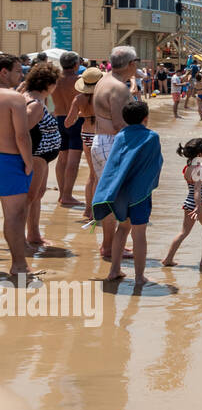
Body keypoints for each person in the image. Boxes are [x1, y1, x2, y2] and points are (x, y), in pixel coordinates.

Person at [93, 98, 163, 283]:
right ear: (146, 118)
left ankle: (114, 270)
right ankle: (139, 277)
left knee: (122, 229)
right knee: (139, 233)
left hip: (121, 193)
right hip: (140, 194)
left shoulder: (120, 136)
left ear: (124, 118)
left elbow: (114, 165)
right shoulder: (152, 137)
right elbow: (155, 165)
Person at [92, 46, 139, 262]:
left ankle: (109, 245)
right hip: (113, 143)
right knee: (120, 199)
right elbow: (120, 124)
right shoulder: (118, 88)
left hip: (101, 141)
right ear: (130, 64)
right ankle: (110, 247)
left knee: (109, 198)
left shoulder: (104, 80)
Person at [0, 54, 34, 277]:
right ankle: (19, 265)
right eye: (17, 71)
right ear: (3, 72)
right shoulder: (14, 98)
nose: (21, 76)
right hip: (9, 161)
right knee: (13, 215)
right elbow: (22, 136)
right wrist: (29, 162)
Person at [21, 62, 62, 249]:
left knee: (37, 194)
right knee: (29, 197)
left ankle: (34, 234)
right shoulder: (34, 104)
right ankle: (20, 239)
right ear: (48, 83)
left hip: (42, 157)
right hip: (36, 156)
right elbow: (21, 132)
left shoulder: (36, 99)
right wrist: (28, 159)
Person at [163, 137, 202, 269]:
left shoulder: (188, 168)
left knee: (183, 232)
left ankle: (168, 259)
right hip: (199, 204)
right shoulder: (200, 168)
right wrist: (199, 207)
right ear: (199, 155)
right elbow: (197, 190)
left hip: (188, 203)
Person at [65, 68, 102, 222]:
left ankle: (87, 210)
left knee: (91, 175)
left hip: (86, 134)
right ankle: (95, 211)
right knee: (99, 176)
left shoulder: (78, 98)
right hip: (100, 134)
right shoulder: (102, 97)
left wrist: (83, 114)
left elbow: (68, 123)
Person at [52, 51, 85, 207]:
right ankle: (67, 195)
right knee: (74, 159)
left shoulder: (55, 80)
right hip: (76, 120)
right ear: (76, 65)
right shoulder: (79, 80)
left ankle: (61, 194)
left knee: (62, 158)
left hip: (59, 119)